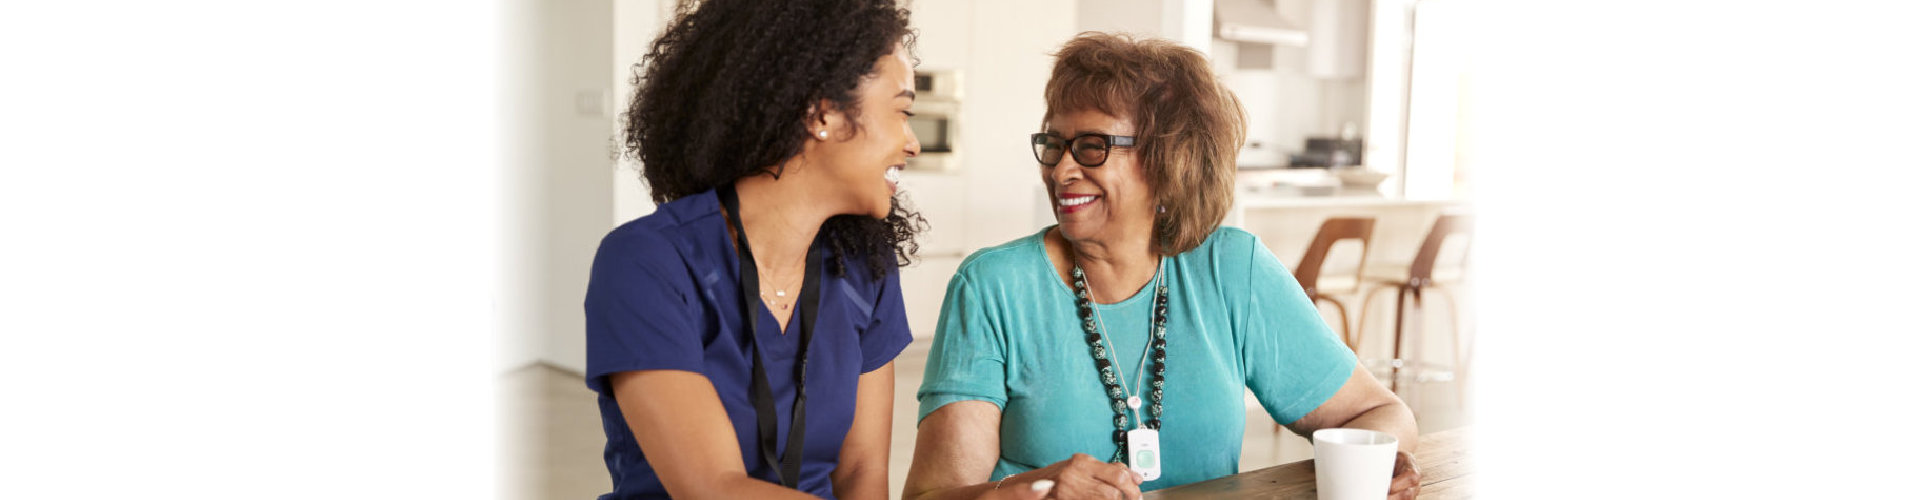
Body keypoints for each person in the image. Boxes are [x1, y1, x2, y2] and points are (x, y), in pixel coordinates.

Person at [903, 33, 1422, 500]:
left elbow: (1378, 414)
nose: (1061, 169)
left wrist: (1383, 462)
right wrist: (1032, 492)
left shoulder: (1231, 270)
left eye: (1091, 146)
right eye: (1054, 145)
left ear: (1167, 159)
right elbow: (931, 497)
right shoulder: (993, 287)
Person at [583, 1, 923, 498]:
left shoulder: (865, 266)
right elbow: (712, 488)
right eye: (902, 111)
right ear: (822, 113)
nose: (912, 142)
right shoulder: (645, 263)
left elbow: (860, 475)